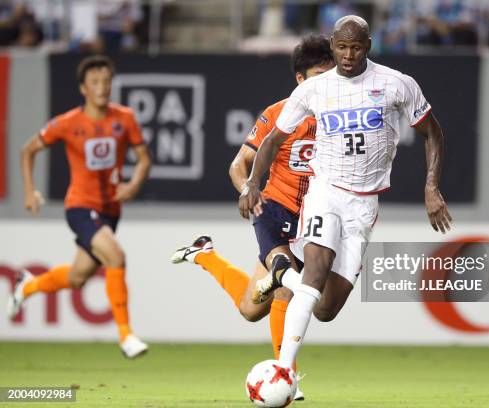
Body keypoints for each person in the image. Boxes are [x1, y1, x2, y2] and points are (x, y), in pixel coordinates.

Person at [240, 15, 452, 369]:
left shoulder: (396, 84)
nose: (348, 55)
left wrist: (432, 186)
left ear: (367, 46)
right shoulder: (313, 89)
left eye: (355, 47)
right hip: (325, 191)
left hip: (364, 204)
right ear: (333, 47)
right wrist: (251, 183)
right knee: (316, 270)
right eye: (341, 47)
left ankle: (283, 275)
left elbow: (433, 132)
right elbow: (273, 140)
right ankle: (283, 369)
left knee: (325, 309)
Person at [170, 34, 335, 399]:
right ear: (300, 80)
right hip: (278, 212)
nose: (327, 83)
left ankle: (203, 254)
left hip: (317, 217)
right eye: (319, 75)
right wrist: (249, 190)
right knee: (281, 289)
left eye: (332, 74)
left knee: (251, 309)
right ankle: (284, 372)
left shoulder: (341, 117)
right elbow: (238, 164)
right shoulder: (278, 114)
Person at [8, 55, 151, 359]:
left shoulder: (124, 118)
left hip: (111, 210)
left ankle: (28, 286)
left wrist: (134, 184)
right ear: (83, 89)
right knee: (116, 255)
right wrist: (29, 191)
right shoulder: (67, 123)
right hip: (80, 207)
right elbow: (28, 150)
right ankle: (126, 336)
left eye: (106, 82)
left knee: (78, 276)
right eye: (95, 83)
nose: (102, 88)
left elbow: (144, 159)